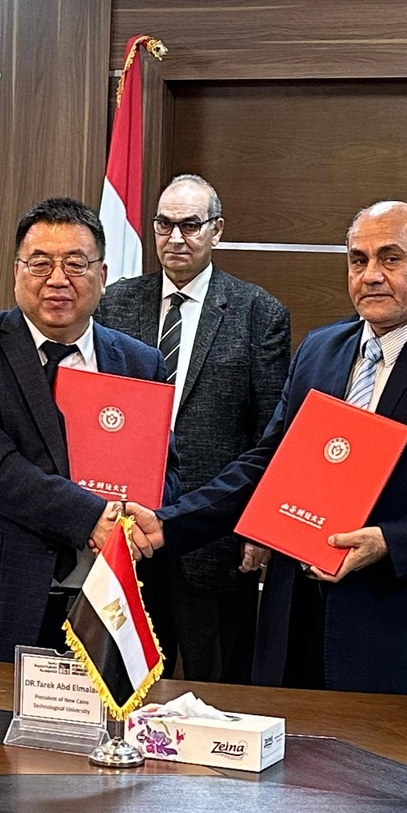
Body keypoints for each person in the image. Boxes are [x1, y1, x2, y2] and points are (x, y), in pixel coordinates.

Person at [126, 201, 407, 711]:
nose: (371, 275)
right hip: (294, 624)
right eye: (358, 260)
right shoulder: (319, 349)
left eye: (390, 258)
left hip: (402, 637)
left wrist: (391, 541)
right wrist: (171, 523)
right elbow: (268, 463)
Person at [0, 198, 172, 663]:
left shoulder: (139, 362)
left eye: (75, 264)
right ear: (17, 272)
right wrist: (92, 517)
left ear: (103, 275)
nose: (57, 279)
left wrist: (147, 515)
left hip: (104, 613)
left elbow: (163, 468)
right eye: (40, 263)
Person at [96, 173, 291, 682]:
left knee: (219, 686)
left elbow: (270, 435)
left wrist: (257, 529)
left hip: (215, 537)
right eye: (164, 225)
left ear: (217, 230)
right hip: (128, 532)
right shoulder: (116, 303)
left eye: (190, 225)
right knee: (126, 682)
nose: (175, 238)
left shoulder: (258, 312)